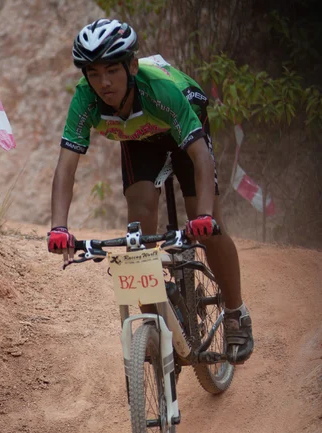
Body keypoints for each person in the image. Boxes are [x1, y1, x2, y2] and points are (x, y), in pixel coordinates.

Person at [48, 18, 253, 364]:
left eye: (112, 70)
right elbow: (65, 166)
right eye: (94, 74)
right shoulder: (85, 100)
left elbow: (200, 157)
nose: (104, 83)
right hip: (139, 138)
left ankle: (236, 313)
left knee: (208, 225)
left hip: (181, 127)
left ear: (132, 65)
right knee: (138, 231)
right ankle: (159, 316)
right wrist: (58, 227)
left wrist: (203, 217)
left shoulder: (161, 89)